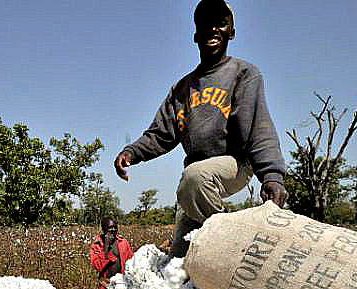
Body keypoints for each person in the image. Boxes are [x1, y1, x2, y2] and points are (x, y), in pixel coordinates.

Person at [114, 0, 286, 258]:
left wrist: (272, 175)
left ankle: (234, 248)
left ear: (232, 32)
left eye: (221, 23)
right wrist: (132, 152)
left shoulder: (243, 74)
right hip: (195, 178)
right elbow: (161, 134)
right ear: (195, 35)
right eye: (206, 24)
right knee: (180, 260)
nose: (213, 29)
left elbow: (258, 129)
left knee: (195, 179)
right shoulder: (183, 87)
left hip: (234, 163)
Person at [89, 217, 134, 289]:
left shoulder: (123, 242)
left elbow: (131, 262)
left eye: (115, 227)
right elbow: (98, 266)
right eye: (110, 228)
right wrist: (106, 247)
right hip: (106, 285)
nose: (113, 230)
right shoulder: (97, 245)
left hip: (122, 285)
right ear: (103, 229)